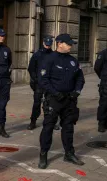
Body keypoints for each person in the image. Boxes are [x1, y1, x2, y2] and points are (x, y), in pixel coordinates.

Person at [38, 34, 85, 169]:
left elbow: (80, 78)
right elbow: (43, 80)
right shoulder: (49, 59)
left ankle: (69, 154)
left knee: (68, 128)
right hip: (54, 100)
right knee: (48, 128)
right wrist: (55, 93)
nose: (71, 46)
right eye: (68, 43)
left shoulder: (73, 61)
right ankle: (43, 154)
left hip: (69, 100)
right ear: (59, 44)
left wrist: (77, 91)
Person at [27, 36, 60, 130]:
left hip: (50, 83)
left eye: (49, 45)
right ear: (43, 43)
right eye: (46, 44)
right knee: (37, 103)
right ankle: (33, 121)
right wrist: (36, 79)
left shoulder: (54, 55)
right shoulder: (37, 54)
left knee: (50, 103)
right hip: (39, 83)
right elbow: (31, 68)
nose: (48, 46)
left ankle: (51, 122)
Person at [94, 47, 107, 132]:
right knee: (104, 103)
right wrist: (103, 77)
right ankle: (101, 123)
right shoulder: (104, 53)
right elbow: (97, 67)